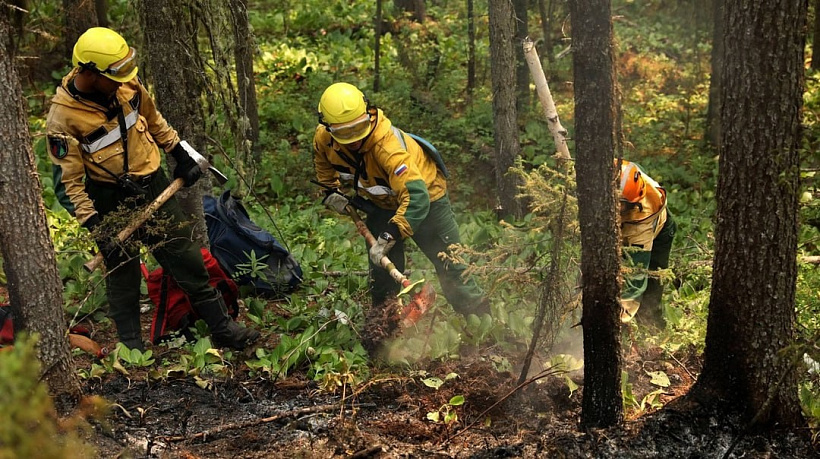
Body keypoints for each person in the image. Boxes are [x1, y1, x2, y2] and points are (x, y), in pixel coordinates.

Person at [46, 27, 260, 351]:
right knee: (123, 274)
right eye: (113, 76)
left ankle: (222, 328)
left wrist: (178, 153)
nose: (121, 82)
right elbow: (69, 184)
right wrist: (96, 227)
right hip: (110, 200)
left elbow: (154, 119)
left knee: (187, 257)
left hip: (153, 185)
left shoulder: (126, 84)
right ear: (89, 72)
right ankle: (132, 348)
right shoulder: (63, 119)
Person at [312, 82, 490, 323]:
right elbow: (324, 166)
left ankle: (481, 323)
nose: (354, 140)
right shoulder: (324, 139)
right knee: (381, 270)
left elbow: (416, 198)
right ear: (329, 127)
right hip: (382, 203)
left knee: (450, 263)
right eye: (345, 133)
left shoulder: (387, 147)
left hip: (426, 198)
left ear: (368, 114)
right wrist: (330, 192)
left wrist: (391, 234)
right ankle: (383, 326)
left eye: (358, 129)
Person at [617, 160, 676, 326]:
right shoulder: (621, 173)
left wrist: (620, 318)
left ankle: (651, 327)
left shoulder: (641, 229)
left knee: (652, 279)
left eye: (620, 206)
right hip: (626, 226)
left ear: (632, 204)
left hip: (659, 232)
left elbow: (636, 276)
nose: (614, 207)